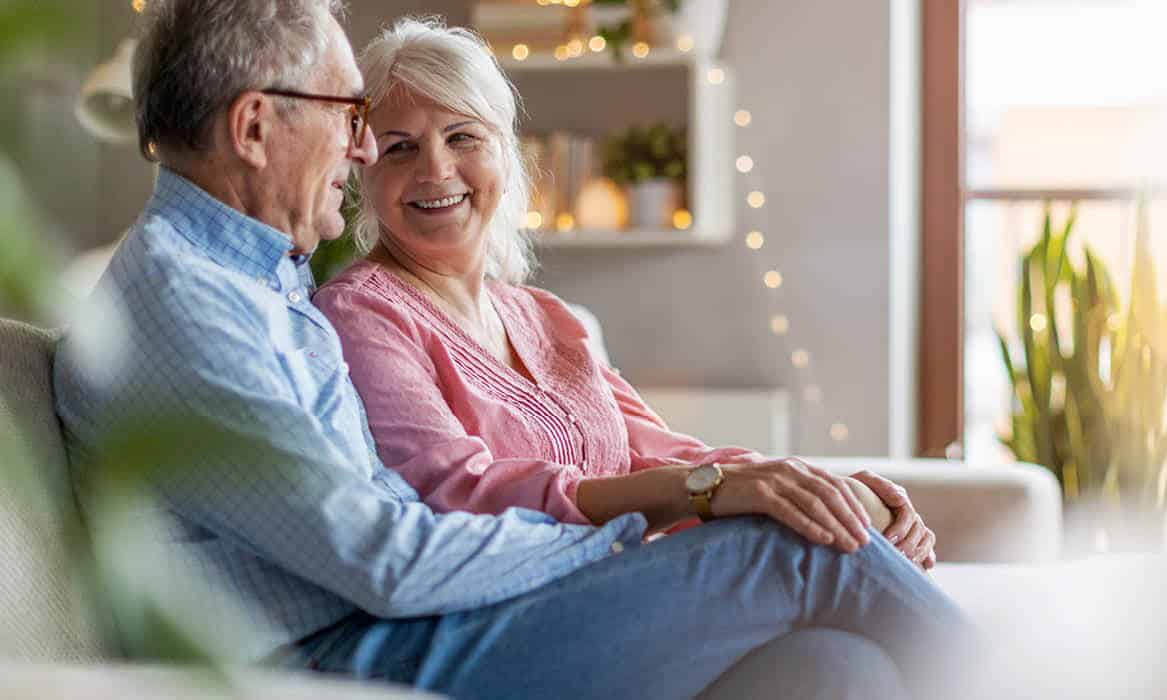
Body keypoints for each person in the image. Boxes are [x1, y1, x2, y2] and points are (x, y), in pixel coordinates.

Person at [51, 2, 972, 698]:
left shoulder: (258, 278)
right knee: (799, 556)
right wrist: (634, 528)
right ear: (254, 128)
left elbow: (653, 455)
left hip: (403, 621)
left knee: (834, 667)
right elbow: (390, 557)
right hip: (340, 656)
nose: (362, 148)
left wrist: (776, 484)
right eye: (350, 114)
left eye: (458, 137)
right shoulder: (189, 304)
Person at [313, 17, 937, 569]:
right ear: (362, 172)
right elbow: (463, 492)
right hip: (528, 605)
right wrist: (709, 488)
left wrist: (813, 483)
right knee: (821, 555)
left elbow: (665, 455)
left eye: (462, 137)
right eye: (400, 148)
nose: (435, 170)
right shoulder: (362, 314)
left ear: (505, 154)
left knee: (845, 635)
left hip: (627, 578)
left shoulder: (544, 316)